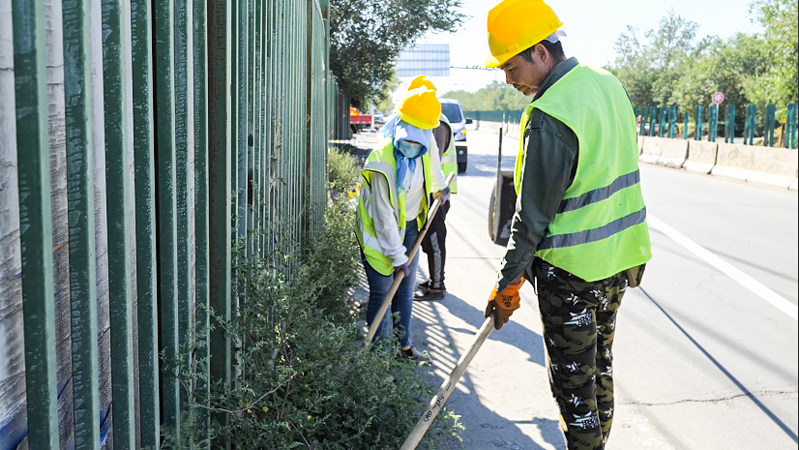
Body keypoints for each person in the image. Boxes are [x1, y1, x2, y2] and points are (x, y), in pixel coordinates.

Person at [482, 1, 652, 449]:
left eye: (512, 66)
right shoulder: (607, 83)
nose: (508, 79)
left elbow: (532, 218)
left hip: (572, 275)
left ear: (540, 52)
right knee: (599, 370)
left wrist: (507, 284)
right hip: (619, 262)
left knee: (574, 390)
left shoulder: (551, 114)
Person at [354, 86, 451, 361]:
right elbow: (384, 218)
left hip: (409, 227)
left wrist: (440, 189)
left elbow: (433, 168)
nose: (415, 144)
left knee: (405, 293)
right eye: (410, 137)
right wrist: (398, 257)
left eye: (422, 138)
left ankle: (403, 347)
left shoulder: (425, 141)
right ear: (400, 124)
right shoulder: (382, 163)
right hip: (378, 234)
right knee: (383, 294)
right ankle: (380, 359)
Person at [402, 76, 459, 302]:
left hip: (436, 195)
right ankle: (434, 281)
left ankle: (437, 287)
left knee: (434, 240)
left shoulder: (437, 123)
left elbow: (431, 161)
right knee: (427, 241)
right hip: (429, 193)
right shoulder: (430, 120)